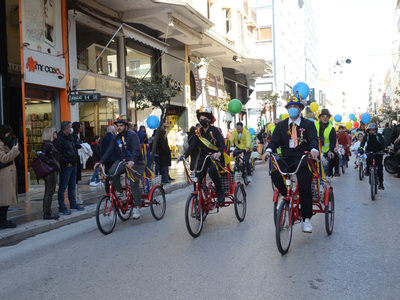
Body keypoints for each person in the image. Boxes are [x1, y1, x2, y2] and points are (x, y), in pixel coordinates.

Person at [262, 95, 319, 233]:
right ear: (287, 109)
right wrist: (268, 150)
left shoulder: (308, 125)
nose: (293, 109)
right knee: (274, 172)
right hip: (286, 158)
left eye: (295, 106)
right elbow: (274, 141)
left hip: (303, 158)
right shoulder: (281, 125)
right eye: (290, 107)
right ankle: (285, 196)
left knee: (305, 186)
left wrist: (313, 149)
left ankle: (306, 219)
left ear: (300, 109)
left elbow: (313, 140)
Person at [96, 115, 145, 219]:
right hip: (122, 161)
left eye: (121, 125)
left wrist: (132, 160)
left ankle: (137, 206)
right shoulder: (115, 138)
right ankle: (120, 191)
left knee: (133, 182)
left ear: (126, 126)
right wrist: (101, 161)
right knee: (112, 172)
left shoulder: (133, 135)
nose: (119, 127)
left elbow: (136, 150)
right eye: (117, 126)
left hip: (136, 162)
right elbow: (109, 151)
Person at [178, 107, 226, 204]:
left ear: (209, 119)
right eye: (200, 120)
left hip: (215, 158)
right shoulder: (198, 133)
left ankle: (220, 192)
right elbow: (191, 147)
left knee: (213, 172)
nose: (202, 121)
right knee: (197, 177)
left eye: (204, 119)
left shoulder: (215, 130)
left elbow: (221, 143)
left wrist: (219, 152)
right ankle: (198, 198)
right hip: (203, 158)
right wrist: (183, 155)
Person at [54, 121, 85, 215]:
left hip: (73, 164)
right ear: (66, 128)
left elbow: (72, 147)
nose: (71, 129)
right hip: (66, 166)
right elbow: (58, 153)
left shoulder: (69, 137)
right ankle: (62, 207)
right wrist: (65, 162)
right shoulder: (59, 138)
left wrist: (81, 146)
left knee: (72, 186)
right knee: (63, 187)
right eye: (70, 127)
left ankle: (73, 204)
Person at [0, 124, 20, 229]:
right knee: (4, 199)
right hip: (4, 176)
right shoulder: (0, 144)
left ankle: (3, 220)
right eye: (7, 134)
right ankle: (2, 221)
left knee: (6, 199)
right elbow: (4, 159)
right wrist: (14, 150)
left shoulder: (4, 143)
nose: (9, 136)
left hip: (7, 175)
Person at [40, 127, 61, 220]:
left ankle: (48, 211)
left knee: (50, 191)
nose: (56, 133)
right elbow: (41, 155)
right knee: (49, 191)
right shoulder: (47, 144)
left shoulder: (49, 144)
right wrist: (51, 163)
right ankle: (47, 212)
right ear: (50, 133)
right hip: (49, 170)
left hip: (51, 170)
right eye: (55, 132)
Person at [359, 123, 388, 190]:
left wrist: (385, 149)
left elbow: (383, 143)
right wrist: (361, 148)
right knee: (368, 159)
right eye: (370, 130)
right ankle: (367, 169)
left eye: (373, 130)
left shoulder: (379, 136)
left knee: (380, 167)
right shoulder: (366, 136)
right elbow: (362, 143)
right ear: (368, 131)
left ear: (376, 130)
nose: (372, 132)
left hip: (379, 152)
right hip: (370, 151)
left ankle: (381, 183)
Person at [315, 109, 340, 177]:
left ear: (329, 118)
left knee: (335, 157)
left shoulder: (331, 128)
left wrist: (331, 151)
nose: (325, 118)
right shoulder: (314, 126)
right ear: (319, 117)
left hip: (327, 150)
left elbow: (333, 141)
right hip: (316, 150)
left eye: (326, 116)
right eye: (323, 116)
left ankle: (334, 171)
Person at [100, 126, 116, 194]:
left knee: (107, 175)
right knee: (114, 175)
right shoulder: (114, 138)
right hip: (113, 159)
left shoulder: (103, 138)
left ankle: (107, 190)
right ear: (113, 131)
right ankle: (114, 190)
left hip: (106, 160)